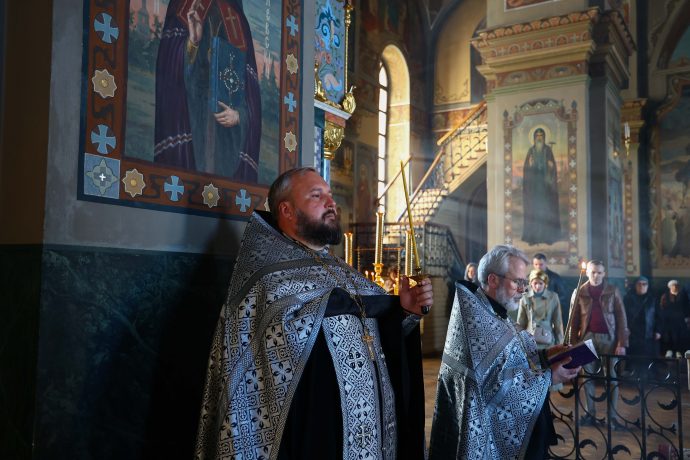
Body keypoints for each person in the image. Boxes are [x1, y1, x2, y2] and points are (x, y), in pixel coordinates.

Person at [194, 167, 433, 459]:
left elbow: (371, 322)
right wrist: (377, 305)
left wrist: (404, 311)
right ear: (287, 210)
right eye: (317, 196)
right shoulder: (267, 279)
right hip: (315, 431)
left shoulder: (339, 270)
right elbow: (274, 353)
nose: (331, 203)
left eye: (330, 195)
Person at [429, 245, 580, 459]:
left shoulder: (492, 311)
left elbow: (511, 361)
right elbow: (495, 387)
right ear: (493, 280)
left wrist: (545, 356)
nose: (523, 290)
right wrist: (549, 377)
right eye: (518, 282)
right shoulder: (478, 322)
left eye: (525, 282)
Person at [154, 0, 262, 181]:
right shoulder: (185, 6)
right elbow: (170, 65)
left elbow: (248, 91)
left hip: (224, 138)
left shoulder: (237, 18)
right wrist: (193, 42)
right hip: (194, 115)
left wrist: (239, 116)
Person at [569, 260, 628, 428]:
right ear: (587, 272)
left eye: (600, 272)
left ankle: (612, 418)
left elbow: (621, 317)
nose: (596, 275)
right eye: (593, 272)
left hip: (609, 338)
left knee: (612, 378)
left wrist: (622, 343)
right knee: (586, 378)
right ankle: (589, 414)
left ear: (604, 273)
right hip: (586, 338)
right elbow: (573, 320)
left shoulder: (612, 290)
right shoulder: (580, 291)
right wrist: (572, 344)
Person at [522, 128, 562, 245]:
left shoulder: (548, 150)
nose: (539, 138)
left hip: (546, 189)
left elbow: (553, 169)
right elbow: (526, 170)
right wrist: (530, 166)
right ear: (534, 138)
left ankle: (548, 237)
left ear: (544, 137)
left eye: (541, 136)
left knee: (546, 212)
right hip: (534, 189)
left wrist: (551, 166)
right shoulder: (531, 151)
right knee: (534, 213)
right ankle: (533, 238)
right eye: (537, 136)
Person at [517, 269, 565, 349]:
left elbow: (558, 322)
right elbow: (521, 322)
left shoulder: (553, 297)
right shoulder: (525, 297)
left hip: (548, 341)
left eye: (540, 283)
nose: (538, 286)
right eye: (535, 283)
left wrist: (560, 344)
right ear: (531, 283)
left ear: (545, 284)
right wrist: (519, 343)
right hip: (529, 341)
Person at [533, 253, 569, 325]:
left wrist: (552, 305)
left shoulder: (555, 278)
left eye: (541, 264)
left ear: (545, 264)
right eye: (536, 264)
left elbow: (563, 296)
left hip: (550, 313)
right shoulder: (529, 278)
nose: (538, 267)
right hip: (534, 313)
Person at [659, 280, 690, 359]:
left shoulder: (683, 296)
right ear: (670, 287)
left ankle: (678, 351)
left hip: (680, 319)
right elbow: (662, 308)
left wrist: (686, 317)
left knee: (680, 336)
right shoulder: (665, 296)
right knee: (669, 336)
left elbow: (686, 307)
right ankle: (669, 351)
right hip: (669, 320)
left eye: (676, 285)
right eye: (673, 285)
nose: (675, 287)